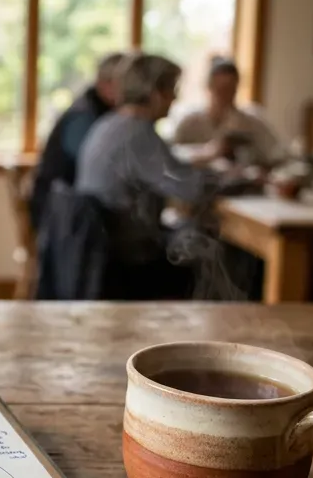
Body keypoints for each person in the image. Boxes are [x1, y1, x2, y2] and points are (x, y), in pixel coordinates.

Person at [72, 54, 214, 299]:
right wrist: (233, 180)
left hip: (102, 253)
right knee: (218, 250)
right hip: (129, 260)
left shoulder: (111, 123)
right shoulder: (138, 132)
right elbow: (190, 189)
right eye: (172, 89)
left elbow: (171, 171)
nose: (175, 98)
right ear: (153, 92)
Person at [29, 52, 128, 230]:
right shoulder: (83, 117)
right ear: (106, 84)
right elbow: (94, 168)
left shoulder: (95, 110)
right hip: (61, 218)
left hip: (70, 211)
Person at [171, 59, 285, 168]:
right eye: (221, 90)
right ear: (209, 88)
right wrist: (207, 151)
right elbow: (170, 156)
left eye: (231, 90)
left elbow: (279, 154)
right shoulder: (190, 122)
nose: (226, 96)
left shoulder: (252, 122)